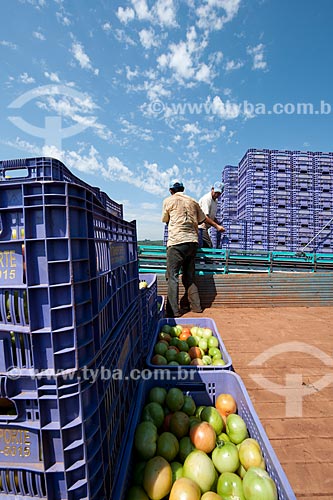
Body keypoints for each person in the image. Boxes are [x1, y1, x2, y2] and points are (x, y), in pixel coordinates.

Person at [162, 180, 225, 318]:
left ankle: (173, 311)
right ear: (183, 189)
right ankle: (197, 307)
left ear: (171, 191)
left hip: (176, 243)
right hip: (192, 242)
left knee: (172, 276)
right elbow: (202, 219)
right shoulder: (193, 201)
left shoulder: (168, 200)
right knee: (189, 276)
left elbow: (165, 219)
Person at [199, 181, 225, 248]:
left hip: (205, 228)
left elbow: (211, 216)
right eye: (216, 192)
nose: (217, 195)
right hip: (200, 228)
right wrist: (217, 226)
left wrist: (219, 223)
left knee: (206, 246)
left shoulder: (215, 201)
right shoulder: (207, 199)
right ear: (212, 189)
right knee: (208, 246)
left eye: (219, 193)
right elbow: (205, 218)